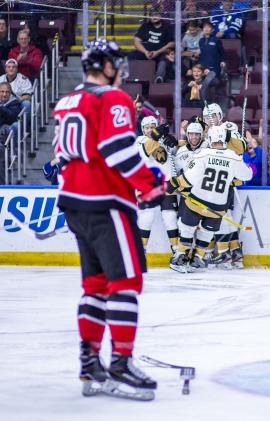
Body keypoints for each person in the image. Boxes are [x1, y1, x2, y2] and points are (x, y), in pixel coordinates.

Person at [53, 39, 164, 400]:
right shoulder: (111, 98)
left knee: (95, 285)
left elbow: (62, 156)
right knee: (125, 283)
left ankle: (89, 362)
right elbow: (117, 149)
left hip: (74, 202)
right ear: (106, 66)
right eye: (118, 64)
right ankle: (120, 362)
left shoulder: (67, 101)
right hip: (106, 202)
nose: (122, 72)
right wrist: (148, 184)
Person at [168, 124, 253, 272]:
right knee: (207, 232)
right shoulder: (233, 157)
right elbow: (246, 176)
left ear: (210, 138)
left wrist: (173, 184)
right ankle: (197, 258)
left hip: (197, 200)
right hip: (218, 206)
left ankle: (180, 257)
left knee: (187, 229)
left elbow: (189, 178)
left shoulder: (203, 154)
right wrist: (234, 176)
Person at [135, 116, 179, 255]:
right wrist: (156, 134)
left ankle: (177, 251)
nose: (149, 130)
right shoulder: (139, 140)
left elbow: (173, 156)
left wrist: (175, 143)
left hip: (167, 184)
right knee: (146, 217)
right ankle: (141, 251)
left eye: (152, 127)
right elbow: (144, 152)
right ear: (143, 130)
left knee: (170, 217)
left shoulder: (162, 139)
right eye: (147, 127)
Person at [129, 11, 175, 83]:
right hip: (146, 52)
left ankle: (159, 78)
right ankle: (129, 78)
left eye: (156, 14)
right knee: (130, 56)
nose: (154, 17)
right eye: (152, 15)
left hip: (160, 52)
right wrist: (145, 52)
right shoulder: (145, 26)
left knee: (165, 58)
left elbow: (172, 43)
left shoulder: (167, 27)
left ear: (160, 15)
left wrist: (158, 52)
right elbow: (136, 40)